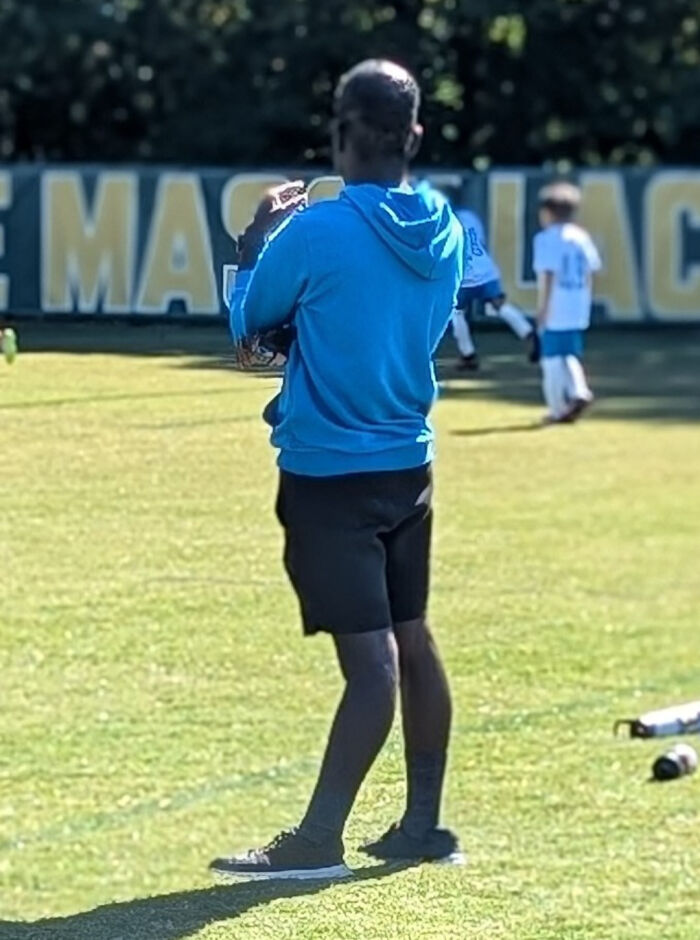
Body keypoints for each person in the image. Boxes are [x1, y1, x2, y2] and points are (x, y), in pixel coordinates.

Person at [210, 59, 464, 880]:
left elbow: (249, 330)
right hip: (408, 465)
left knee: (372, 665)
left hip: (329, 475)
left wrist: (251, 242)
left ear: (339, 134)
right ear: (415, 135)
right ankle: (422, 824)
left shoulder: (314, 231)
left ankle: (319, 839)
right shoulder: (447, 227)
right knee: (412, 639)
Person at [533, 182, 601, 423]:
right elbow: (591, 270)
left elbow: (549, 275)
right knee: (569, 353)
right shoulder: (581, 237)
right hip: (577, 302)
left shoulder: (546, 239)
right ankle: (579, 390)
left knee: (551, 359)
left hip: (557, 305)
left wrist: (543, 309)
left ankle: (556, 409)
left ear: (548, 212)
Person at [451, 207, 539, 370]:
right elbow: (481, 241)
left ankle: (468, 355)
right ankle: (528, 333)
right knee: (499, 304)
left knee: (456, 312)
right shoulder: (470, 215)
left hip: (464, 275)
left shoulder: (442, 220)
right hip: (486, 269)